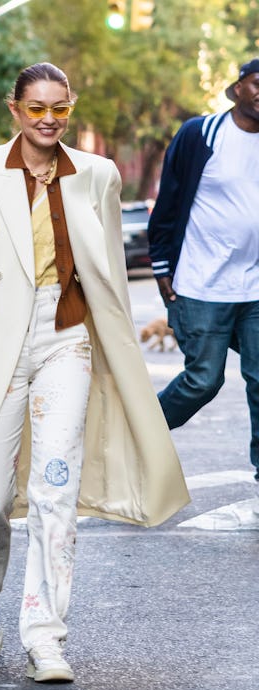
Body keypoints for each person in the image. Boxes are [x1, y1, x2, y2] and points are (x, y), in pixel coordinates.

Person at [0, 62, 189, 683]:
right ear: (15, 109)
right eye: (36, 108)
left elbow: (105, 269)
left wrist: (120, 343)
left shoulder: (97, 175)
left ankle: (46, 636)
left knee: (56, 490)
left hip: (66, 336)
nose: (48, 119)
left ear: (69, 109)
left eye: (59, 108)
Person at [148, 58, 259, 478]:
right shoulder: (202, 133)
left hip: (255, 290)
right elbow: (169, 202)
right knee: (203, 381)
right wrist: (162, 267)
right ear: (236, 89)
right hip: (202, 285)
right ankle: (138, 437)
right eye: (256, 82)